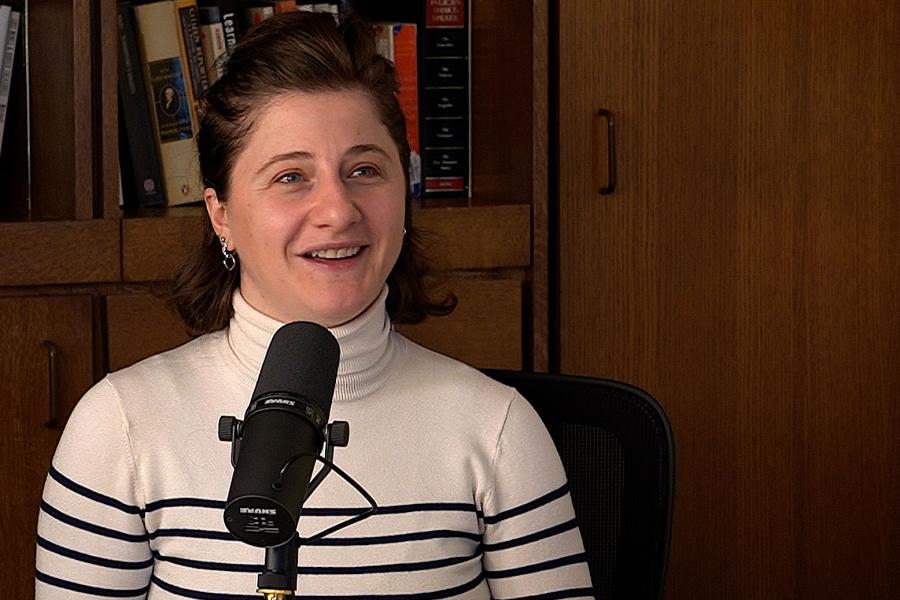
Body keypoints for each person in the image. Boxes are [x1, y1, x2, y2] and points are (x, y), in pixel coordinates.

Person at [35, 12, 593, 599]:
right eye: (291, 177)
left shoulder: (499, 429)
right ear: (221, 214)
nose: (339, 209)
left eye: (365, 170)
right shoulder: (120, 427)